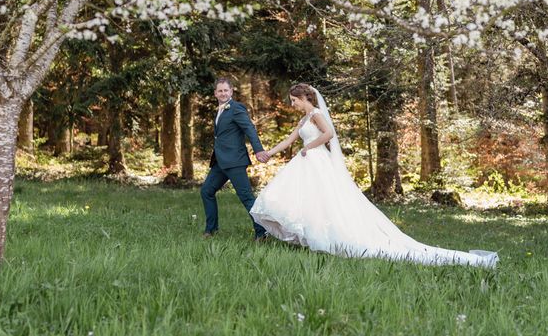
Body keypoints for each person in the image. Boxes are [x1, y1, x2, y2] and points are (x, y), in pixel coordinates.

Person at [250, 83, 498, 267]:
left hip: (315, 160)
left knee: (325, 200)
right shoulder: (305, 118)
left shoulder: (316, 115)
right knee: (309, 200)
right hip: (306, 161)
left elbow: (329, 135)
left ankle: (327, 237)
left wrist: (309, 147)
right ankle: (311, 237)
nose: (293, 105)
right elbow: (291, 139)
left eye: (295, 100)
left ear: (305, 98)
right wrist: (269, 153)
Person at [200, 77, 270, 240]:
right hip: (220, 161)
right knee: (207, 191)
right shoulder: (220, 110)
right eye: (220, 91)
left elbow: (249, 129)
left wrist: (258, 150)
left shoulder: (236, 108)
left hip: (235, 160)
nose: (223, 93)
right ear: (215, 93)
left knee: (245, 196)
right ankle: (211, 230)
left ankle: (262, 232)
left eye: (226, 90)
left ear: (231, 92)